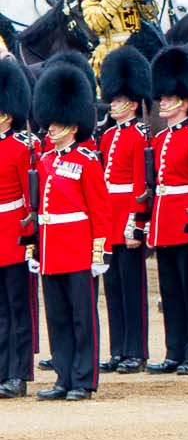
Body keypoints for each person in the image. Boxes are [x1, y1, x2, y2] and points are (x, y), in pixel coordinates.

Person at [30, 59, 111, 401]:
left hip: (78, 248)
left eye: (58, 122)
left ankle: (84, 378)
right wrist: (34, 248)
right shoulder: (46, 161)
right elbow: (39, 210)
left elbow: (100, 210)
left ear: (73, 125)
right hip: (51, 248)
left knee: (82, 317)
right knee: (59, 318)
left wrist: (98, 252)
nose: (51, 128)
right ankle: (64, 375)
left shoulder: (87, 161)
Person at [146, 47, 188, 376]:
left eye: (169, 98)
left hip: (186, 219)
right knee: (169, 291)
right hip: (164, 220)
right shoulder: (158, 140)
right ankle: (174, 350)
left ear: (184, 101)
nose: (163, 103)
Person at [97, 46, 152, 375]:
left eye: (117, 101)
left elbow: (139, 186)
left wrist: (136, 223)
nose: (112, 105)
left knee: (133, 289)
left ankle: (137, 350)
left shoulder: (140, 136)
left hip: (128, 220)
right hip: (109, 220)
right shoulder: (107, 138)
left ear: (131, 104)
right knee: (113, 288)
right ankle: (119, 349)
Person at [0, 59, 33, 399]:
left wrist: (31, 241)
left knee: (18, 309)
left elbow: (30, 201)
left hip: (14, 235)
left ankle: (18, 373)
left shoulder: (21, 149)